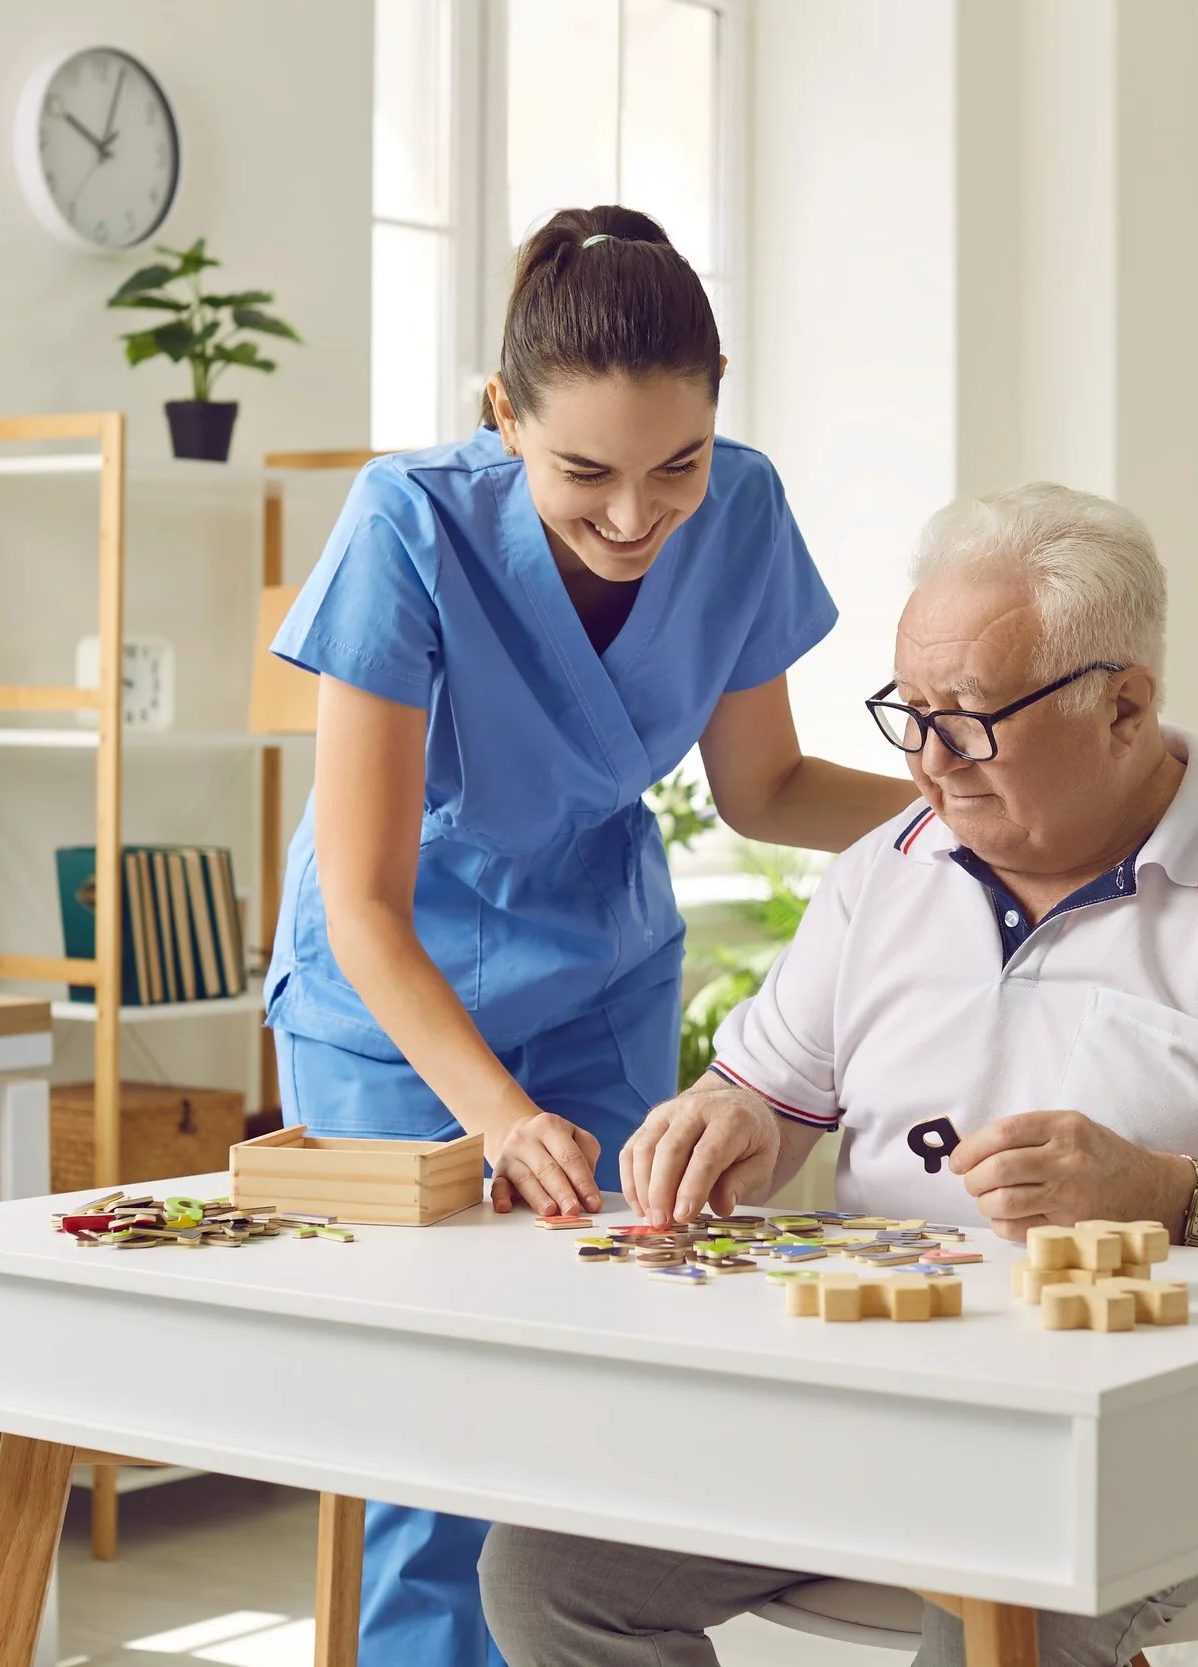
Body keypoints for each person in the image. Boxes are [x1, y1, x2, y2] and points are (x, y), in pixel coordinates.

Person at [476, 483, 1198, 1667]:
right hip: (880, 1406)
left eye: (972, 719)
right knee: (548, 1569)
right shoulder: (883, 870)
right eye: (909, 712)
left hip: (1183, 1433)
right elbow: (767, 1105)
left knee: (1007, 1597)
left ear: (1125, 706)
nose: (928, 765)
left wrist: (1164, 1191)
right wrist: (722, 1121)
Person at [262, 205, 916, 1667]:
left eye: (673, 464)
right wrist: (495, 1115)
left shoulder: (740, 509)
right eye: (584, 475)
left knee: (613, 1369)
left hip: (605, 966)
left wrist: (985, 810)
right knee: (431, 1423)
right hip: (395, 1001)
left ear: (720, 402)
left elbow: (768, 788)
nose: (637, 517)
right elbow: (362, 900)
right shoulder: (406, 521)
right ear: (504, 417)